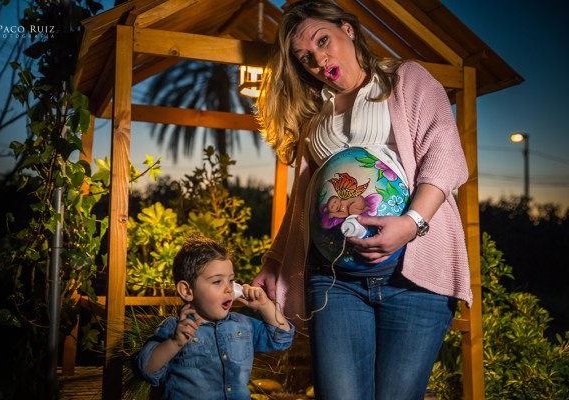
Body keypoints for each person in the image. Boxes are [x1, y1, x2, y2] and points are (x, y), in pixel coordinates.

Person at [251, 1, 473, 399]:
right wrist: (274, 261)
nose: (319, 60)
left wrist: (411, 224)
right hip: (335, 280)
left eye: (322, 41)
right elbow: (303, 204)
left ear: (348, 29)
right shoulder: (315, 116)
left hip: (411, 279)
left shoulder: (406, 79)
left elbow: (444, 154)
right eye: (305, 57)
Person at [132, 235, 294, 400]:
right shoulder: (175, 329)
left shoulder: (243, 325)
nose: (229, 289)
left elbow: (283, 337)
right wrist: (175, 343)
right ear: (187, 291)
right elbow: (145, 370)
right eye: (217, 281)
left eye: (231, 280)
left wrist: (265, 305)